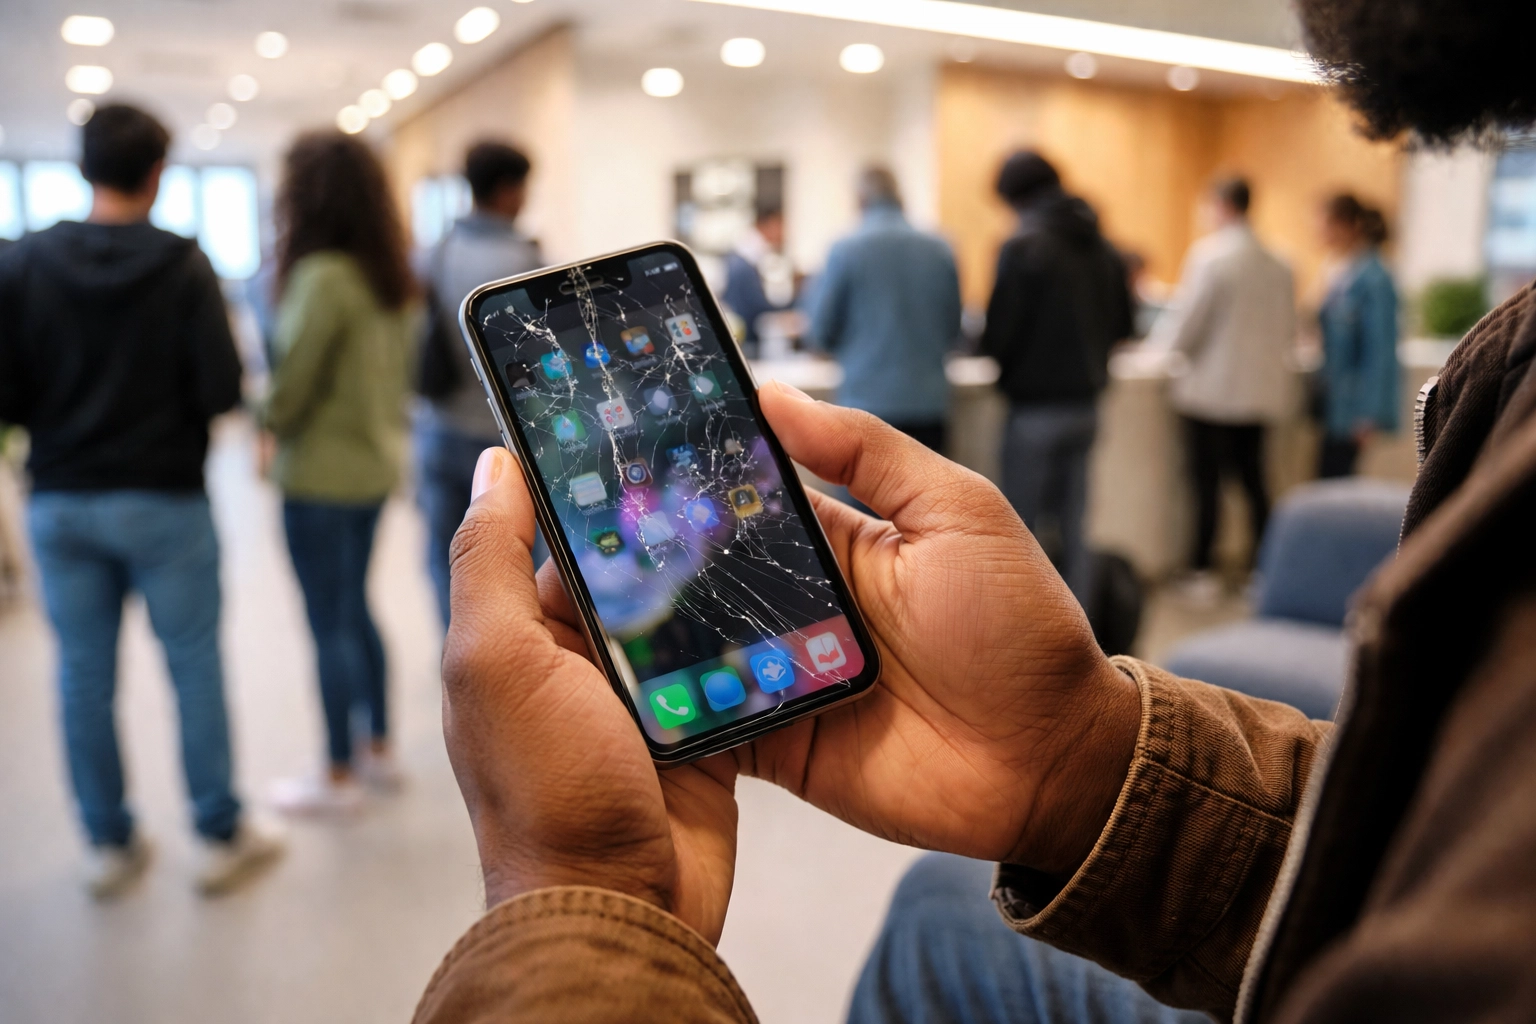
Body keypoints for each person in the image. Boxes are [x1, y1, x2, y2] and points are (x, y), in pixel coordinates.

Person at [408, 2, 1536, 1020]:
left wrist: (578, 898)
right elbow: (1452, 856)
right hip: (1037, 404)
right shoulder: (988, 246)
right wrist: (1085, 757)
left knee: (919, 857)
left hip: (942, 401)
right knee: (879, 558)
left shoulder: (878, 248)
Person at [0, 104, 283, 899]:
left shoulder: (22, 263)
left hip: (60, 499)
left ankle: (108, 843)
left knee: (81, 675)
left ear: (82, 166)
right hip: (164, 499)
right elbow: (223, 389)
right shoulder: (184, 264)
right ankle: (221, 833)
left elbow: (8, 390)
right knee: (193, 665)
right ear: (158, 173)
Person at [261, 132, 417, 814]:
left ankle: (336, 772)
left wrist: (254, 409)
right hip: (374, 467)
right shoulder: (391, 277)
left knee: (329, 620)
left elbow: (288, 391)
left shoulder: (323, 276)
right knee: (356, 608)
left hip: (320, 475)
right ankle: (377, 746)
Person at [979, 151, 1134, 603]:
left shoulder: (1024, 246)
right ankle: (1078, 636)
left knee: (1019, 530)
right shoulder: (1104, 246)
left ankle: (1024, 633)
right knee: (1075, 528)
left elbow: (998, 335)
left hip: (1034, 410)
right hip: (1088, 405)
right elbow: (1125, 326)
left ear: (1016, 197)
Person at [415, 141, 543, 629]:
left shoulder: (437, 250)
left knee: (447, 560)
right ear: (510, 190)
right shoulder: (525, 258)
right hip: (506, 440)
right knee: (519, 562)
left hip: (440, 427)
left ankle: (455, 654)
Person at [1149, 177, 1297, 599]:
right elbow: (1288, 328)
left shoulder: (1211, 258)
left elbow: (1186, 326)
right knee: (1254, 482)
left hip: (1210, 394)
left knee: (1206, 484)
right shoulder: (1280, 262)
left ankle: (1202, 571)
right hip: (1259, 392)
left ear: (1221, 205)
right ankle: (1262, 568)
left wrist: (1158, 350)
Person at [807, 166, 961, 453]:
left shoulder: (845, 250)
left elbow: (820, 331)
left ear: (860, 199)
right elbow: (954, 328)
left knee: (858, 497)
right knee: (930, 496)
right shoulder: (940, 248)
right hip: (929, 405)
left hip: (866, 406)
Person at [1316, 194, 1400, 477]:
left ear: (1346, 225)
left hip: (1353, 408)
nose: (1318, 231)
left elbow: (1381, 349)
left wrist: (1369, 414)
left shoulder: (1375, 278)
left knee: (1334, 483)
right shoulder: (1342, 271)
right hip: (1336, 403)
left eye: (1324, 223)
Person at [720, 205, 796, 357]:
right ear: (769, 223)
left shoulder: (747, 257)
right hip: (747, 340)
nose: (784, 233)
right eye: (780, 225)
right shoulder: (743, 262)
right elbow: (752, 304)